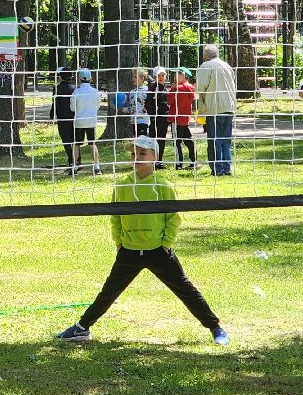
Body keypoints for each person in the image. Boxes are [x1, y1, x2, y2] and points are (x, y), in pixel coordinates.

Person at [57, 135, 227, 344]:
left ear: (155, 157)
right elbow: (116, 216)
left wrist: (165, 244)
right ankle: (82, 328)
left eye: (142, 153)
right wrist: (119, 242)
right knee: (109, 292)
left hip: (158, 250)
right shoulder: (123, 185)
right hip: (129, 250)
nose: (136, 157)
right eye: (133, 154)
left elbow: (173, 218)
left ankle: (215, 328)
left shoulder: (163, 185)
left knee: (186, 290)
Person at [195, 44, 237, 176]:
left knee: (214, 140)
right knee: (226, 140)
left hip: (214, 108)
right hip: (228, 107)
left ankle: (217, 168)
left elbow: (200, 87)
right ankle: (227, 167)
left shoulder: (206, 66)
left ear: (205, 55)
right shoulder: (227, 66)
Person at [70, 69, 102, 175]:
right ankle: (97, 167)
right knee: (92, 144)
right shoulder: (95, 92)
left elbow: (72, 109)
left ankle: (74, 167)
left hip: (79, 121)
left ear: (79, 79)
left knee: (76, 144)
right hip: (91, 121)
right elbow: (97, 106)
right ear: (90, 79)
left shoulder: (76, 92)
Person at [170, 68, 197, 170]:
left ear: (182, 75)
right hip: (185, 118)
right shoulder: (191, 87)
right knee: (188, 140)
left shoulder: (177, 88)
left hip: (176, 118)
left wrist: (173, 89)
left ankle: (178, 164)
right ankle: (194, 161)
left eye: (176, 75)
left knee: (177, 142)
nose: (174, 78)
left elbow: (170, 101)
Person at [53, 67, 76, 173]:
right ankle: (77, 159)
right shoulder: (73, 89)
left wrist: (52, 113)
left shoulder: (57, 88)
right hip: (73, 116)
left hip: (62, 117)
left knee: (66, 140)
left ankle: (71, 160)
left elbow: (55, 102)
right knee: (73, 139)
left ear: (60, 77)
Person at [148, 66, 170, 166]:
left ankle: (158, 160)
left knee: (161, 140)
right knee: (153, 139)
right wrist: (153, 115)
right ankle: (152, 161)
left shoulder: (165, 87)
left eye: (163, 75)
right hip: (156, 118)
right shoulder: (153, 87)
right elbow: (148, 103)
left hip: (164, 119)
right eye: (159, 76)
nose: (161, 77)